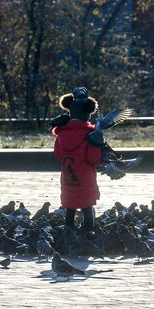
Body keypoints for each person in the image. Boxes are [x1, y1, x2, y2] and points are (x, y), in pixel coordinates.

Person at [52, 87, 103, 237]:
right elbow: (93, 158)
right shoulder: (90, 134)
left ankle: (68, 233)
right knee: (87, 207)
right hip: (85, 177)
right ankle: (89, 233)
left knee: (70, 207)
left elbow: (58, 154)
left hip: (68, 177)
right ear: (87, 114)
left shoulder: (61, 133)